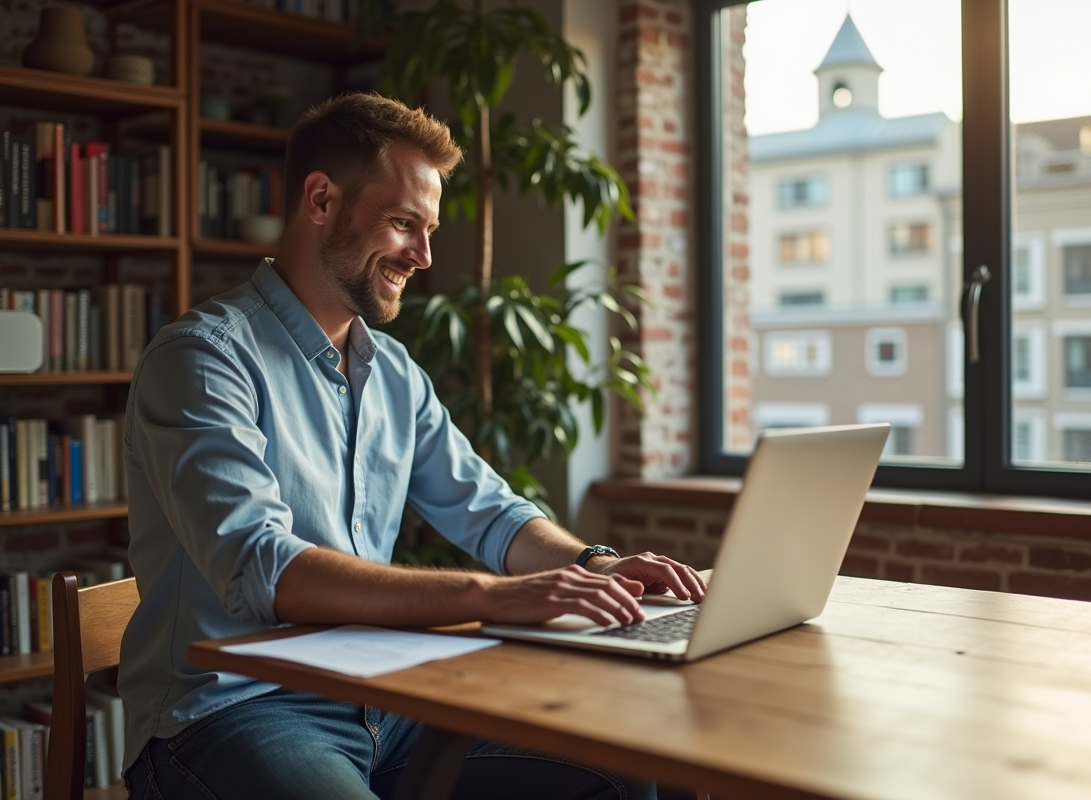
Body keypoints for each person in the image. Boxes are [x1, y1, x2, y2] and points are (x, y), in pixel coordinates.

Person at [118, 91, 705, 800]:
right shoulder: (203, 358)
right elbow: (262, 569)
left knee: (632, 772)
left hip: (382, 698)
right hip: (231, 712)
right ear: (321, 199)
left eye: (427, 230)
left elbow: (491, 513)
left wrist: (597, 564)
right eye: (404, 224)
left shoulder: (393, 372)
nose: (424, 256)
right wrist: (497, 595)